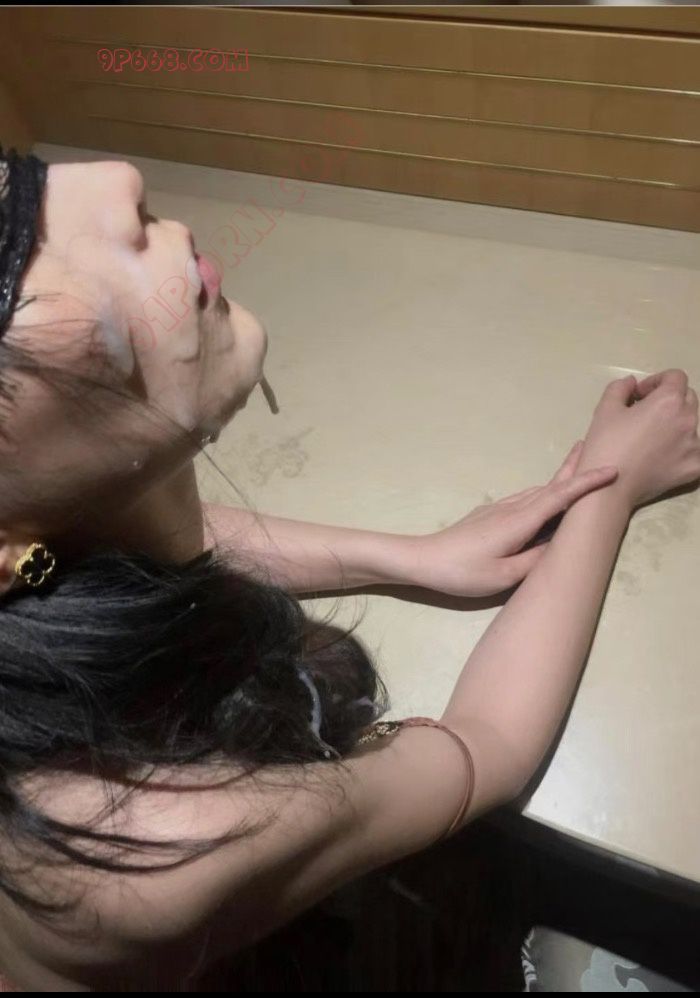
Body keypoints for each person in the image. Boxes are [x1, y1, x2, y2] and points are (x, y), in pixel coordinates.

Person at [0, 147, 698, 992]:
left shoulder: (52, 537)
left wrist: (410, 555)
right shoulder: (134, 851)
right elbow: (487, 748)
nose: (114, 178)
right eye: (7, 262)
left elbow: (130, 544)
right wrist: (612, 486)